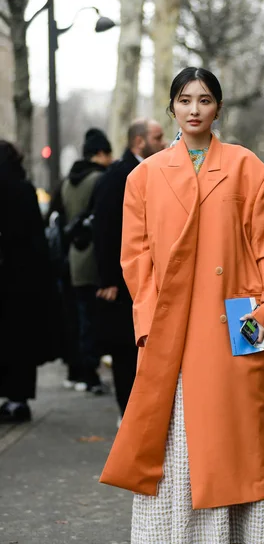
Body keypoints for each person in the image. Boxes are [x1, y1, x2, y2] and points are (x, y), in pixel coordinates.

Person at [100, 67, 264, 544]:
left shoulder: (249, 168)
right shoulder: (143, 176)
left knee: (244, 427)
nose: (194, 109)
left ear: (218, 109)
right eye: (185, 100)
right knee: (186, 437)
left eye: (205, 100)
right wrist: (149, 321)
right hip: (175, 325)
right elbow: (135, 259)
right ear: (171, 108)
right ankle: (198, 541)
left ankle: (259, 535)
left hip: (239, 316)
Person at [93, 119, 166, 424]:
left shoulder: (145, 170)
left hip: (138, 275)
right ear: (139, 141)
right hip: (123, 280)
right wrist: (108, 278)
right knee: (126, 348)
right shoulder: (120, 174)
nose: (162, 143)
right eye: (157, 137)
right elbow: (106, 227)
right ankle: (129, 415)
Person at [0, 141, 60, 423]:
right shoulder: (23, 190)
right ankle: (18, 399)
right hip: (23, 282)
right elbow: (36, 239)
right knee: (21, 343)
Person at [60, 128, 113, 394]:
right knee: (95, 319)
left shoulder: (68, 182)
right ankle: (91, 374)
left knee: (79, 316)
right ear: (101, 153)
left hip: (73, 257)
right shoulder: (100, 180)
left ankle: (78, 370)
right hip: (95, 257)